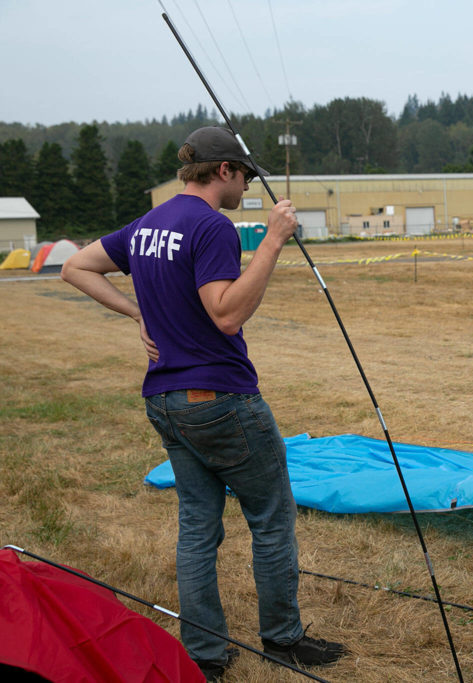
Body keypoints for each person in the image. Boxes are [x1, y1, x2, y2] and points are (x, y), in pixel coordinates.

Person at [61, 126, 347, 679]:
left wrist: (135, 312)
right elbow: (226, 313)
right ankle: (283, 638)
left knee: (197, 526)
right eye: (244, 173)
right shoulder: (213, 225)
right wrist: (272, 241)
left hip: (164, 399)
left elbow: (76, 266)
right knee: (270, 518)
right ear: (223, 171)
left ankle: (204, 654)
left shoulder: (148, 224)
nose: (246, 184)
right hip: (220, 400)